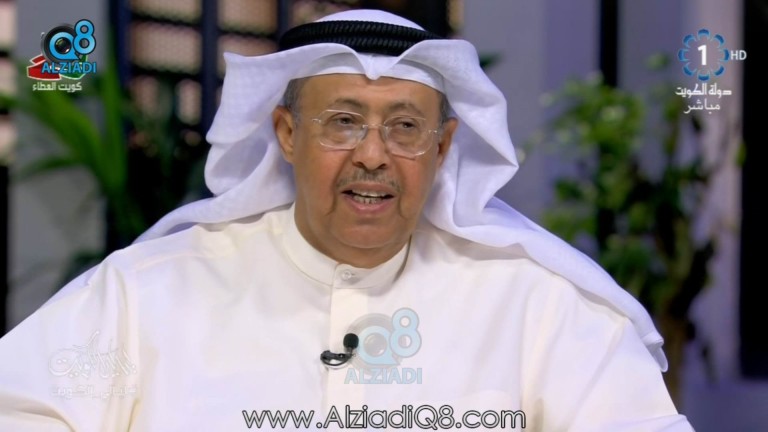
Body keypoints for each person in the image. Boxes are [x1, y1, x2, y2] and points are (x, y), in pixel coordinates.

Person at [0, 9, 693, 431]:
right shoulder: (145, 294)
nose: (373, 155)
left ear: (443, 147)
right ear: (286, 134)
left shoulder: (540, 307)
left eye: (405, 127)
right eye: (343, 122)